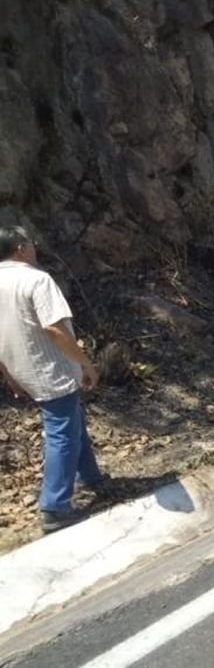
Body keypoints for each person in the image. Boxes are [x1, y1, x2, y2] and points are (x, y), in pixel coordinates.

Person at [0, 225, 104, 533]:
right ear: (20, 248)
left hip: (23, 369)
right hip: (51, 369)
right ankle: (55, 507)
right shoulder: (36, 279)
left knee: (72, 421)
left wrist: (9, 375)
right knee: (61, 434)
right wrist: (85, 363)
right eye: (31, 243)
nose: (34, 247)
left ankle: (90, 476)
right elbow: (55, 328)